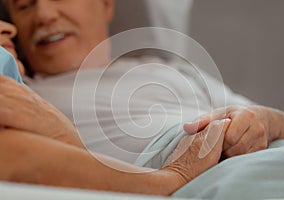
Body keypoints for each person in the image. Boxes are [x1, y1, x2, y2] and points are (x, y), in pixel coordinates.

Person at [1, 0, 284, 188]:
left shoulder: (169, 69)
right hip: (216, 180)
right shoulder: (24, 94)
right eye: (24, 6)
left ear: (106, 4)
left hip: (277, 157)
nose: (43, 14)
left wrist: (269, 121)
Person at [0, 20, 233, 195]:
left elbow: (263, 117)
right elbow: (12, 155)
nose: (9, 28)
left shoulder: (168, 68)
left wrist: (261, 120)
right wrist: (171, 179)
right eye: (23, 6)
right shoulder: (34, 91)